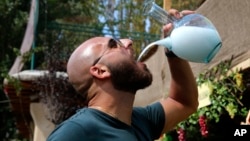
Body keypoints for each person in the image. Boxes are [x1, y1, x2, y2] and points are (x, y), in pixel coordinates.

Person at [47, 9, 198, 141]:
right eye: (114, 45)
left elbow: (183, 102)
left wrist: (173, 49)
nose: (129, 42)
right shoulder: (76, 132)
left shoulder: (140, 121)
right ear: (100, 71)